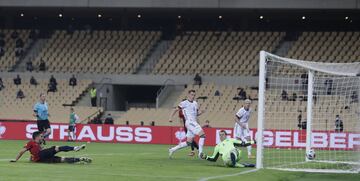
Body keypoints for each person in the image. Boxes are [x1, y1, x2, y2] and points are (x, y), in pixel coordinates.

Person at [10, 131, 91, 163]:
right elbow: (22, 151)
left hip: (41, 160)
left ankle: (79, 160)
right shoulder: (31, 142)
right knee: (56, 148)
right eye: (41, 136)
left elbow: (35, 153)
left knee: (61, 160)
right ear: (37, 137)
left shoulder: (39, 145)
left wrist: (32, 158)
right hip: (41, 156)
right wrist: (16, 159)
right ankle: (74, 148)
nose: (42, 137)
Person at [168, 90, 206, 158]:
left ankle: (172, 149)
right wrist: (170, 118)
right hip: (189, 122)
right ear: (188, 95)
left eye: (194, 95)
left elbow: (196, 114)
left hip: (193, 122)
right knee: (202, 135)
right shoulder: (184, 103)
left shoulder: (195, 103)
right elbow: (175, 109)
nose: (193, 96)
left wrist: (201, 112)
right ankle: (200, 153)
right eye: (191, 94)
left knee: (189, 142)